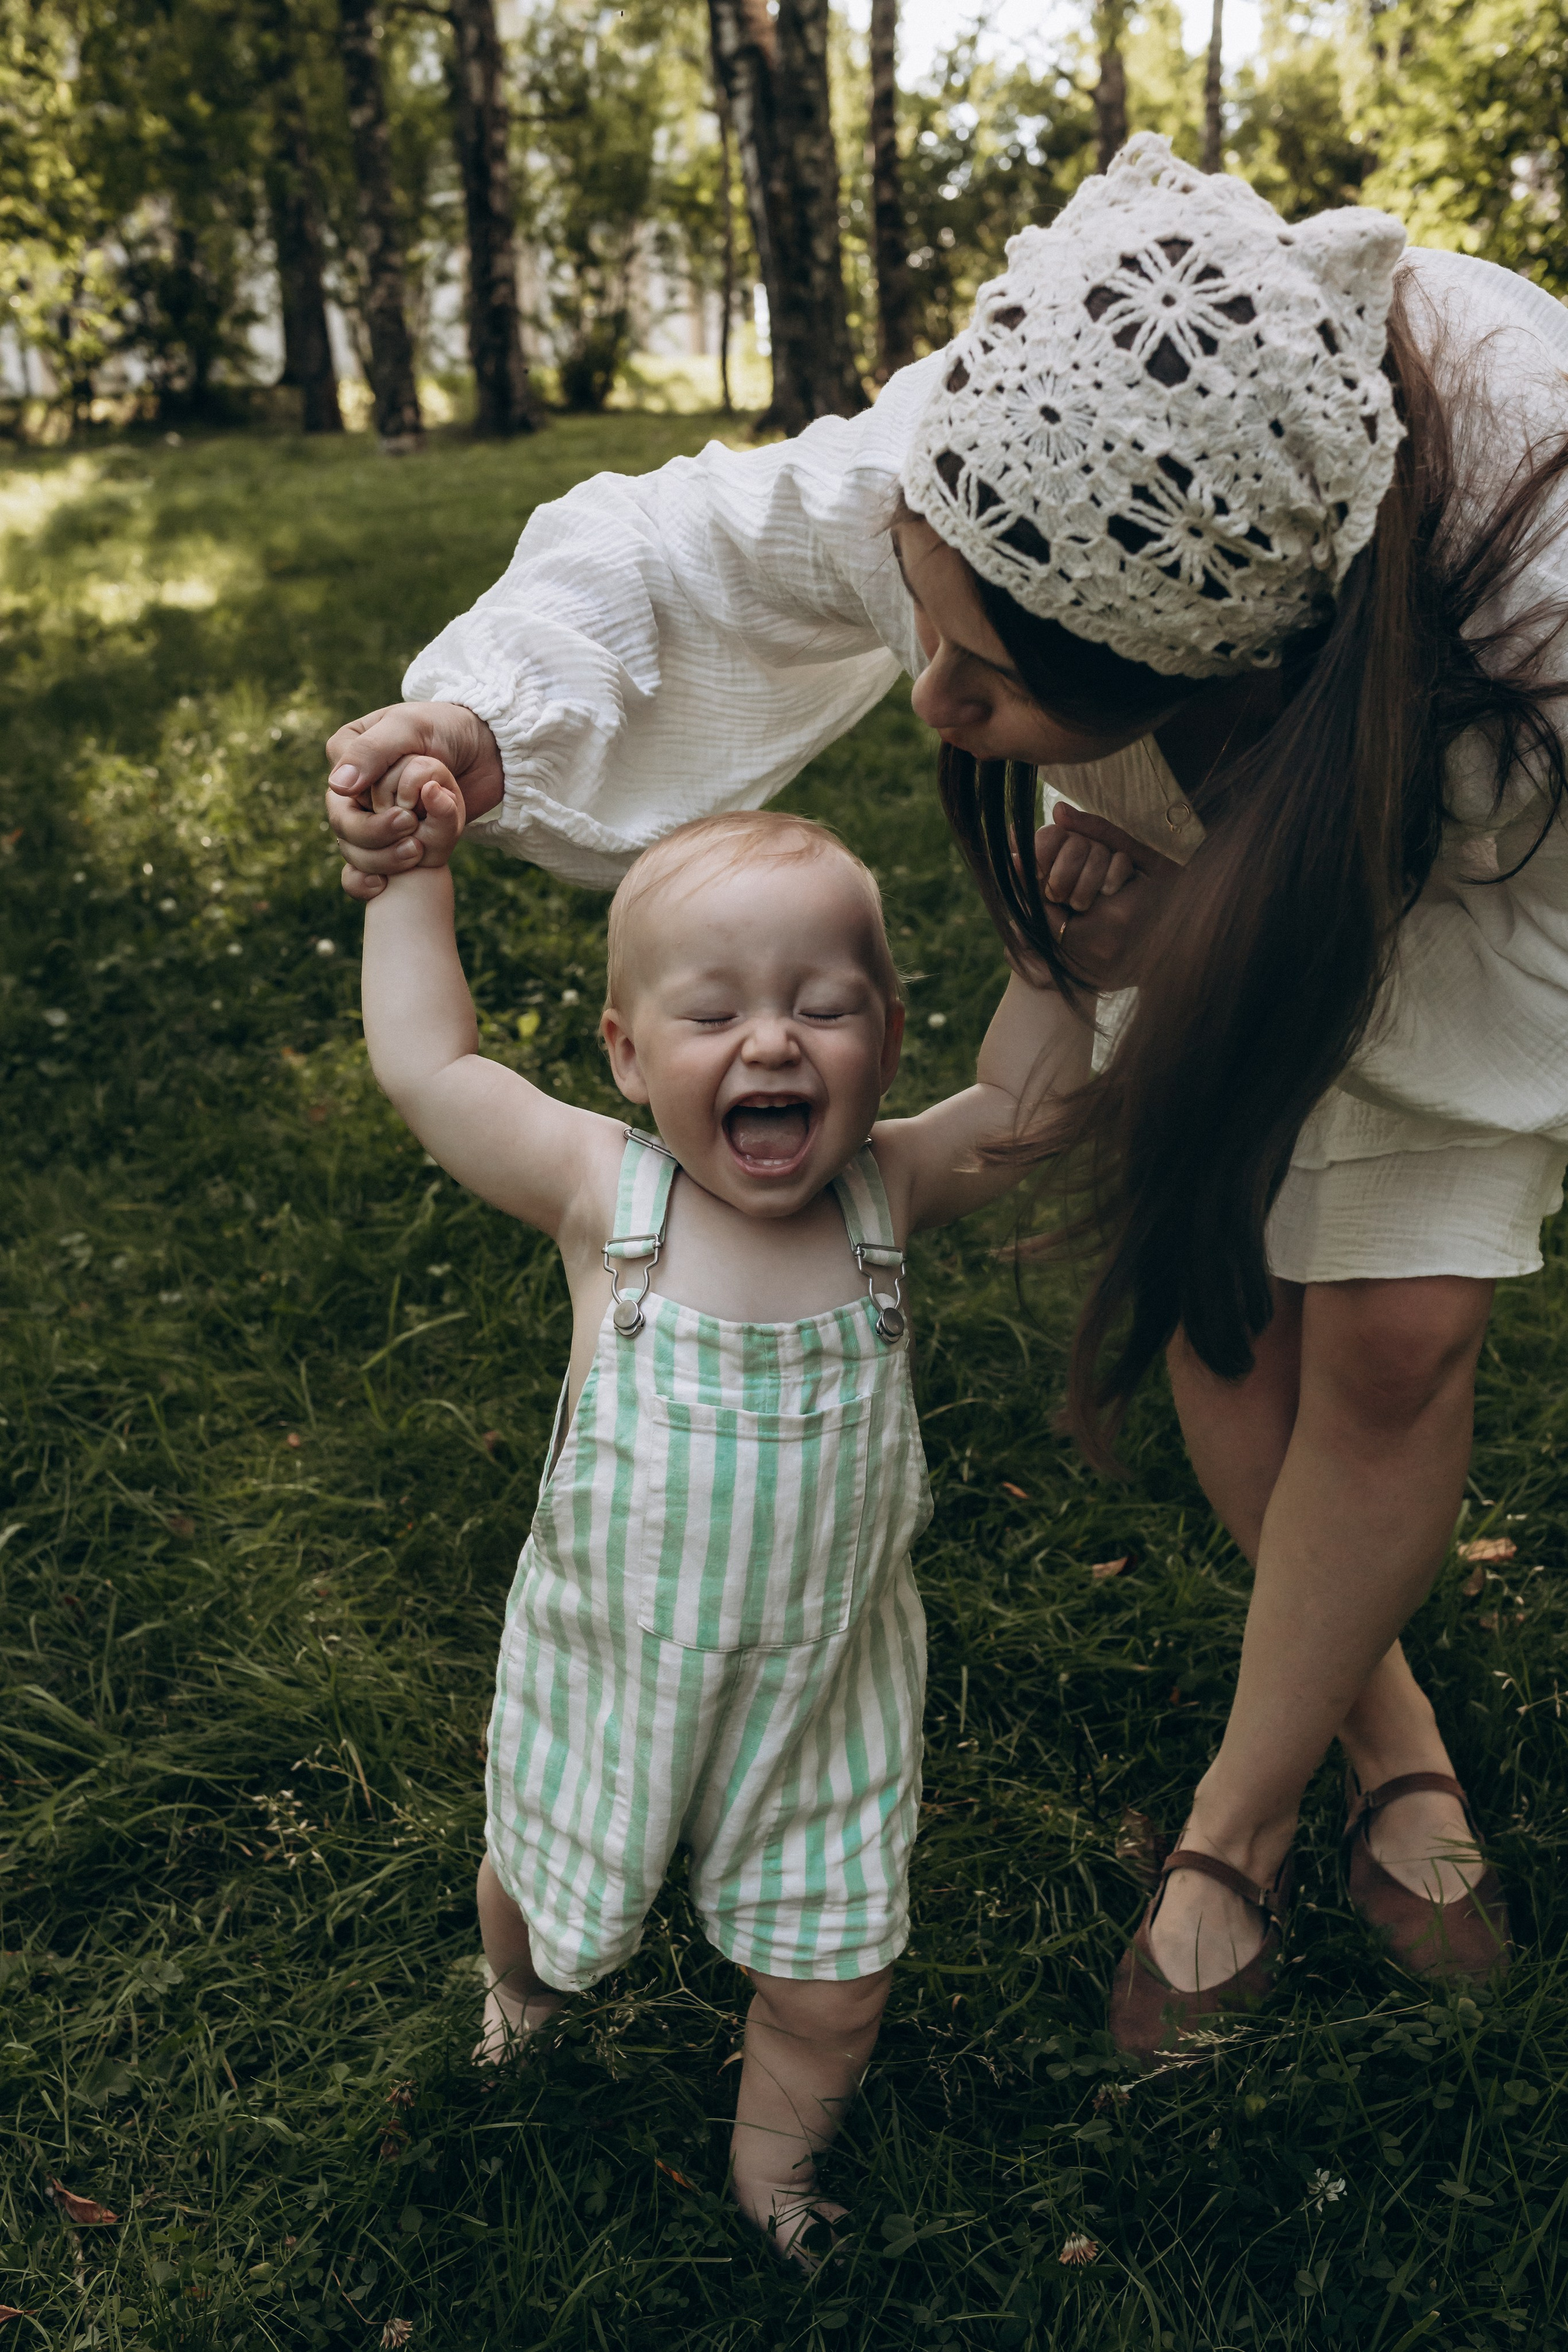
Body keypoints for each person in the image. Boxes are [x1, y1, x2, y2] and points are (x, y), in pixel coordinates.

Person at [328, 135, 1568, 2059]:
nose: (929, 704)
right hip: (1199, 788)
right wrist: (485, 716)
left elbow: (1011, 1105)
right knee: (1234, 1301)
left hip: (1483, 866)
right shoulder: (998, 445)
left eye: (989, 683)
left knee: (1398, 1333)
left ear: (1187, 675)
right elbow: (691, 549)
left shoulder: (1533, 593)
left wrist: (1150, 939)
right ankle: (1373, 1710)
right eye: (936, 628)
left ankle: (1235, 1824)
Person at [356, 781, 1107, 2245]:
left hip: (824, 1698)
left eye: (822, 1008)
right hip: (613, 1674)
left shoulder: (888, 1192)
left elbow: (1025, 1111)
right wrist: (409, 879)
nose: (770, 1041)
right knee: (541, 1897)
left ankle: (775, 2177)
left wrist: (1052, 957)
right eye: (712, 1015)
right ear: (626, 1056)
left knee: (835, 1980)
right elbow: (432, 1067)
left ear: (887, 1040)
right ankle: (516, 1992)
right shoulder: (604, 1198)